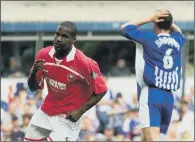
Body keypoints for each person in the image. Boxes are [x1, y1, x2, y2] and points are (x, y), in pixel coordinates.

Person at [24, 21, 107, 141]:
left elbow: (101, 90)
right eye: (57, 34)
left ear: (74, 40)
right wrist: (33, 74)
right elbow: (33, 88)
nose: (58, 39)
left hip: (67, 118)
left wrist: (80, 111)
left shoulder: (84, 63)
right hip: (45, 111)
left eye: (64, 36)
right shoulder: (43, 54)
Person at [121, 10, 185, 141]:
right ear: (170, 25)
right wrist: (168, 22)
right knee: (149, 137)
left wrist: (149, 18)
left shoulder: (150, 38)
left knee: (152, 139)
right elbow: (178, 31)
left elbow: (125, 28)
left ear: (155, 24)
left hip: (151, 94)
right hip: (169, 97)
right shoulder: (178, 40)